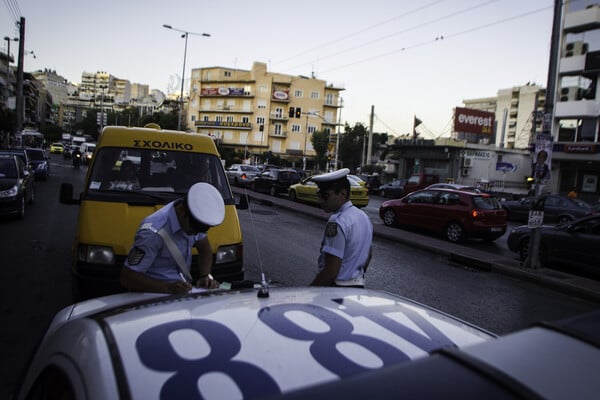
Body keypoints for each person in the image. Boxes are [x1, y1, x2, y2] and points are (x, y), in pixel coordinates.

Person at [120, 182, 224, 294]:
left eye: (202, 230)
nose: (195, 233)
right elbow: (128, 278)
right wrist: (169, 288)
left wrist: (205, 275)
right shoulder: (152, 232)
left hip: (180, 292)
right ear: (181, 211)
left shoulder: (194, 219)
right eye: (194, 228)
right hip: (152, 295)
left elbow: (205, 249)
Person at [309, 168, 373, 288]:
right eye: (319, 195)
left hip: (336, 291)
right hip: (358, 288)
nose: (320, 200)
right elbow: (368, 255)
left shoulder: (337, 222)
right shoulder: (364, 217)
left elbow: (330, 272)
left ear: (343, 194)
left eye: (325, 196)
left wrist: (308, 292)